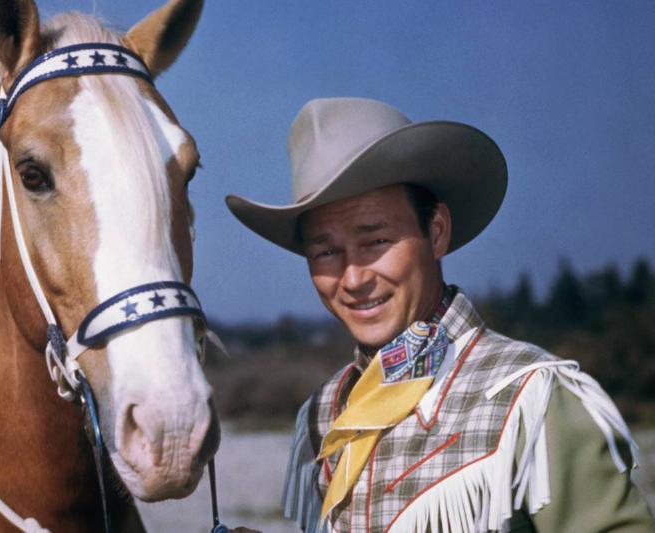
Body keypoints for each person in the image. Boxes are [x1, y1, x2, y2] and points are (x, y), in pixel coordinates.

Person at [225, 98, 655, 532]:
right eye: (326, 251)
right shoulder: (326, 413)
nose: (353, 277)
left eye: (375, 242)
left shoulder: (528, 395)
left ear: (436, 232)